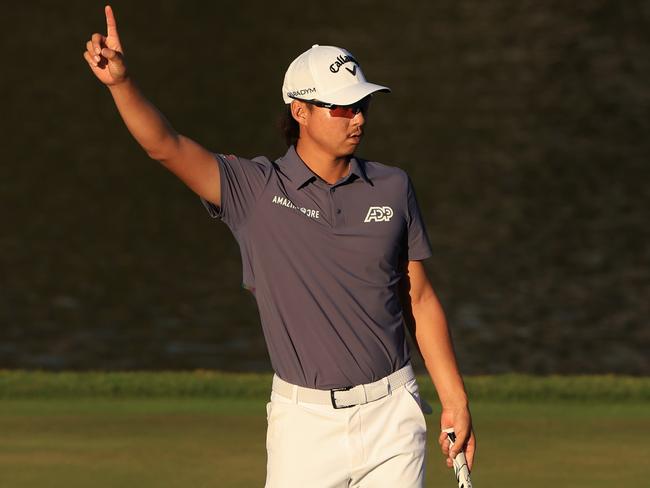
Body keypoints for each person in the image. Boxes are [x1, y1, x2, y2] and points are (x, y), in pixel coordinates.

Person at [83, 5, 476, 487]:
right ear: (301, 111)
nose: (357, 118)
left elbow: (417, 297)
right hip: (304, 426)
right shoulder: (255, 190)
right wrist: (120, 84)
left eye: (362, 105)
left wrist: (454, 399)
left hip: (394, 413)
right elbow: (164, 145)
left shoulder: (392, 187)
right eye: (341, 107)